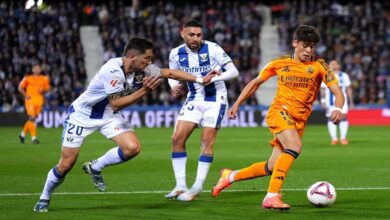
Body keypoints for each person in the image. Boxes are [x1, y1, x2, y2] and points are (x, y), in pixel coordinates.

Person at [33, 37, 217, 212]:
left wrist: (200, 79)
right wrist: (144, 90)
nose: (149, 62)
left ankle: (95, 166)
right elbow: (116, 103)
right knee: (66, 164)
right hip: (82, 116)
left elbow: (168, 72)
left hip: (108, 115)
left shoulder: (141, 69)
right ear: (131, 57)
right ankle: (44, 196)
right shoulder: (112, 71)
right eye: (147, 58)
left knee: (132, 148)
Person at [211, 25, 345, 210]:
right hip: (279, 113)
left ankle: (230, 176)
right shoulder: (278, 63)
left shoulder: (319, 65)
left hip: (299, 120)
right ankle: (271, 196)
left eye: (312, 46)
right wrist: (237, 103)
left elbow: (337, 91)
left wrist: (338, 108)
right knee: (295, 147)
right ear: (294, 43)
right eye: (305, 45)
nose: (308, 50)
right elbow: (255, 82)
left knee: (272, 167)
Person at [165, 19, 239, 202]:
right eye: (191, 34)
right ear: (182, 33)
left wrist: (211, 79)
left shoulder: (213, 48)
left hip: (215, 100)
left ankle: (197, 186)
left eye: (198, 35)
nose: (195, 38)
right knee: (177, 139)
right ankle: (180, 185)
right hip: (194, 98)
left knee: (206, 142)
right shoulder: (176, 53)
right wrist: (174, 86)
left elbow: (233, 71)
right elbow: (172, 74)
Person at [320, 60, 354, 145]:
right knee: (330, 118)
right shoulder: (327, 75)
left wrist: (351, 101)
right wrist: (323, 101)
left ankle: (343, 138)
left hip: (343, 101)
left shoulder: (344, 76)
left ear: (339, 65)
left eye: (336, 64)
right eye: (332, 64)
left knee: (343, 117)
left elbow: (348, 89)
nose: (334, 65)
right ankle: (334, 138)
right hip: (330, 101)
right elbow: (323, 89)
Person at [18, 64, 51, 144]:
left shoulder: (44, 79)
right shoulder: (27, 78)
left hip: (39, 101)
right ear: (32, 69)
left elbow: (47, 89)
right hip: (30, 100)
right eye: (35, 68)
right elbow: (20, 88)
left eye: (38, 68)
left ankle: (22, 135)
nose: (36, 70)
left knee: (32, 119)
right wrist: (26, 95)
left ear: (40, 70)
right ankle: (34, 138)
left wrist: (43, 90)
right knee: (32, 117)